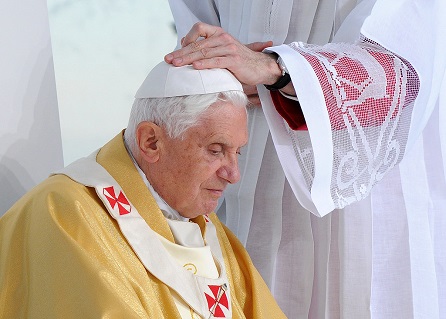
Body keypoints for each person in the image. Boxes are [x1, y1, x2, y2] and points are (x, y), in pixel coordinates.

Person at [165, 1, 446, 318]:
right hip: (240, 181)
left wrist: (277, 70)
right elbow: (195, 38)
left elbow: (402, 73)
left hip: (359, 196)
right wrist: (213, 74)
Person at [0, 61, 287, 319]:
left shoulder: (205, 229)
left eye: (238, 153)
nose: (233, 174)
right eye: (215, 150)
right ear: (151, 142)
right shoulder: (64, 213)